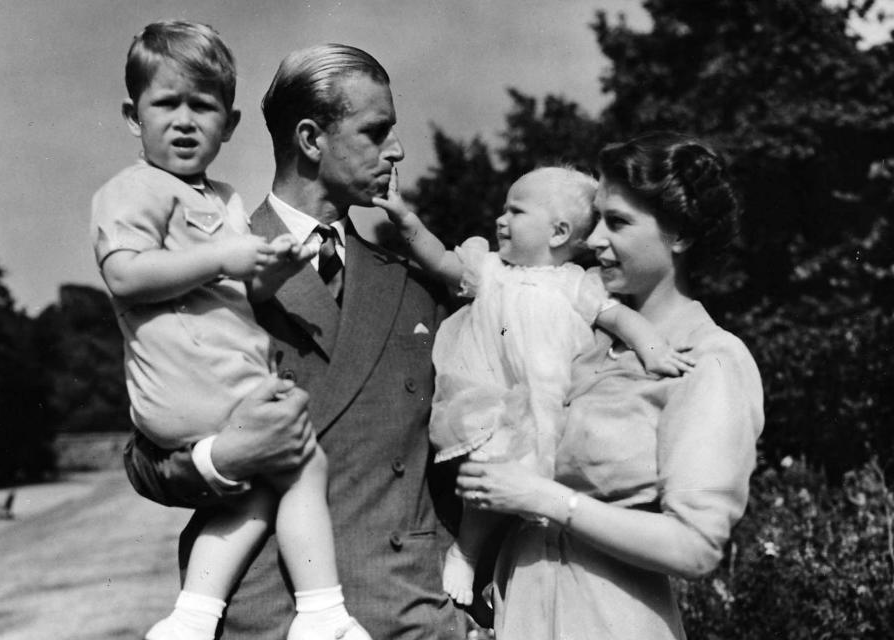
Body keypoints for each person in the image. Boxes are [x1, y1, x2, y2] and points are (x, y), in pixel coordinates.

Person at [121, 42, 465, 640]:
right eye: (376, 130)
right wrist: (222, 458)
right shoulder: (197, 265)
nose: (398, 150)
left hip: (408, 614)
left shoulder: (414, 283)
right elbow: (146, 458)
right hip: (267, 621)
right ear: (310, 139)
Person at [91, 22, 370, 640]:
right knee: (304, 463)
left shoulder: (223, 199)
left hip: (221, 386)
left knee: (254, 493)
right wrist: (224, 258)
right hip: (194, 389)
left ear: (231, 123)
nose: (185, 121)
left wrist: (270, 274)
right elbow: (126, 276)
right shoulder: (131, 191)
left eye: (203, 106)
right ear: (133, 115)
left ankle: (191, 617)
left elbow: (242, 294)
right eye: (166, 104)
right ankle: (322, 611)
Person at [454, 132, 765, 638]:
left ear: (680, 235)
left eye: (617, 222)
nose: (593, 239)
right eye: (594, 219)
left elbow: (695, 546)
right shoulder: (581, 342)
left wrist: (548, 499)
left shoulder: (710, 359)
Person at [373, 166, 694, 606]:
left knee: (535, 494)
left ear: (559, 232)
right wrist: (407, 222)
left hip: (550, 406)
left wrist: (651, 346)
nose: (500, 219)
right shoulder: (491, 270)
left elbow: (619, 317)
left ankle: (505, 575)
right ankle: (466, 552)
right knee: (489, 477)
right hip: (493, 399)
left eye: (516, 211)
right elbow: (443, 262)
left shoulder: (575, 285)